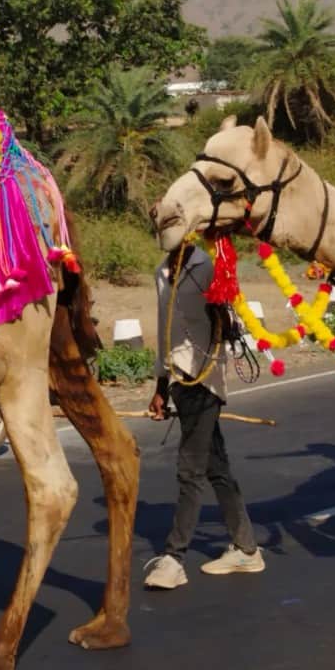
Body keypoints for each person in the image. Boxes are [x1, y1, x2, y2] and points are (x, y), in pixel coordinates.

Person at [142, 243, 264, 590]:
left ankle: (174, 558)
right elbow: (164, 332)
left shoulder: (208, 266)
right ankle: (246, 548)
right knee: (215, 466)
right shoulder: (161, 272)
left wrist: (223, 314)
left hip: (205, 380)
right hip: (178, 380)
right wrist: (161, 387)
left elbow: (228, 320)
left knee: (190, 469)